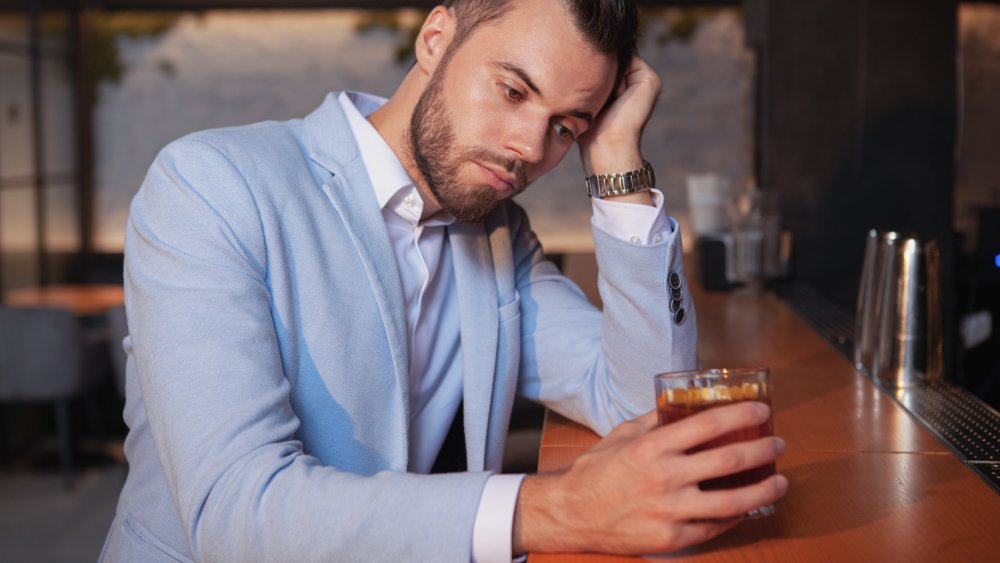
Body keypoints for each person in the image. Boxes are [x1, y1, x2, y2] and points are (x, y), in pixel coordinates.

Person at [99, 0, 788, 561]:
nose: (529, 145)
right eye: (513, 90)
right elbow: (235, 516)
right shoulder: (210, 186)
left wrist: (615, 160)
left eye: (564, 126)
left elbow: (644, 402)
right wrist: (556, 506)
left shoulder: (497, 235)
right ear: (436, 38)